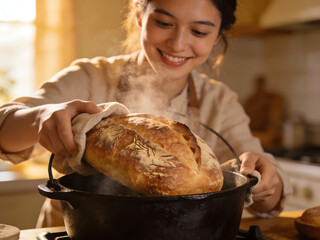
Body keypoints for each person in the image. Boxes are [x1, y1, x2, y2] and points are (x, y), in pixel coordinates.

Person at [0, 0, 292, 227]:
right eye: (164, 23)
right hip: (80, 229)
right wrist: (40, 118)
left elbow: (263, 191)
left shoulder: (219, 101)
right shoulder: (90, 78)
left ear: (217, 37)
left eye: (199, 31)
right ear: (140, 16)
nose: (177, 44)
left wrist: (267, 185)